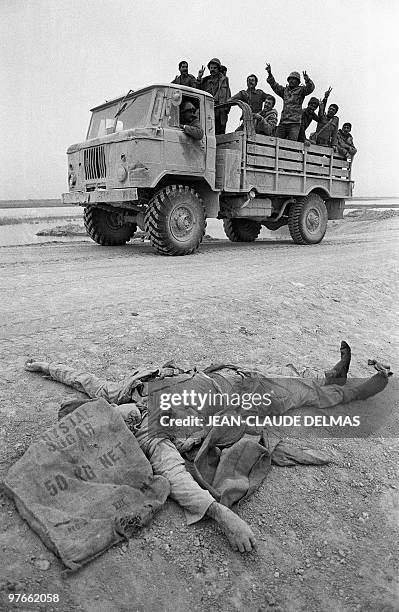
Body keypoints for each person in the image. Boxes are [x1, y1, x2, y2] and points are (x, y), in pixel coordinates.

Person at [25, 342, 391, 552]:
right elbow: (180, 481)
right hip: (245, 400)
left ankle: (332, 375)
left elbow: (80, 378)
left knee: (295, 383)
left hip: (228, 375)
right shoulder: (155, 439)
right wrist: (225, 517)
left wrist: (44, 365)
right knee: (299, 396)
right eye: (122, 424)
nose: (130, 415)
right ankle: (357, 390)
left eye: (117, 412)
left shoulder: (119, 392)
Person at [265, 64, 315, 141]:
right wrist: (270, 73)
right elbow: (275, 86)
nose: (291, 80)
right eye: (290, 79)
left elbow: (310, 88)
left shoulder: (301, 90)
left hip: (294, 124)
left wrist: (307, 80)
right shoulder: (285, 91)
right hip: (283, 122)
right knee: (276, 142)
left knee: (292, 145)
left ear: (298, 82)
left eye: (294, 79)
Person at [197, 58, 231, 135]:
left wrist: (226, 110)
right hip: (209, 110)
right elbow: (198, 89)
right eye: (211, 68)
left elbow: (228, 95)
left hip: (220, 111)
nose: (212, 70)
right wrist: (199, 77)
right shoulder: (205, 80)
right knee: (209, 133)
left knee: (220, 134)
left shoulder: (224, 79)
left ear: (218, 69)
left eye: (215, 68)